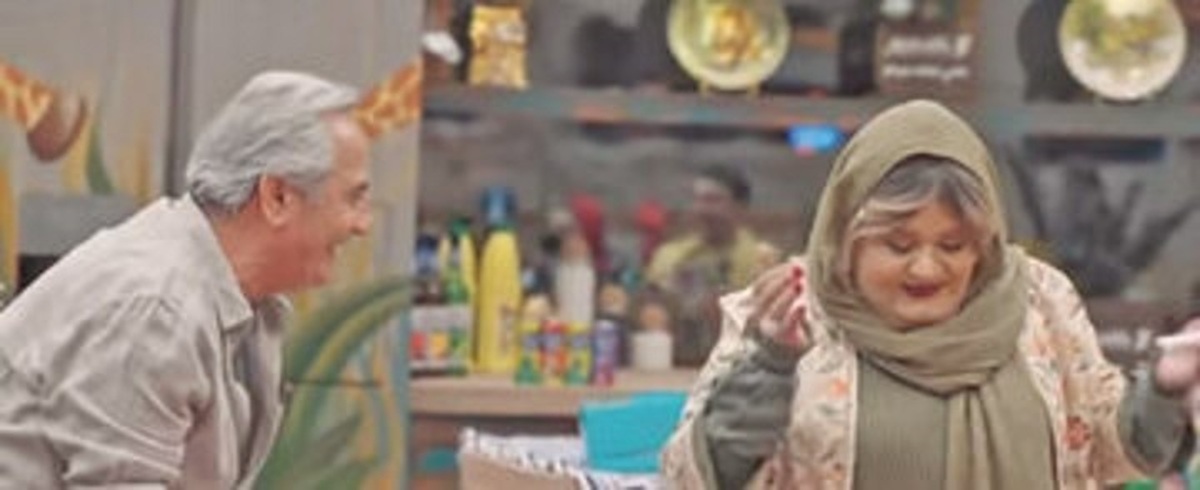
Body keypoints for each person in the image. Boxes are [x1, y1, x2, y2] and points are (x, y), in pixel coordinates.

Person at [661, 100, 1195, 489]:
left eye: (953, 245)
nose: (926, 267)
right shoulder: (789, 311)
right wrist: (771, 366)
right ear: (846, 240)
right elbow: (696, 477)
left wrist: (1164, 387)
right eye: (898, 245)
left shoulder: (1038, 299)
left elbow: (1112, 448)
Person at [0, 71, 372, 487]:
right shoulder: (157, 307)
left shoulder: (247, 307)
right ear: (277, 196)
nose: (363, 224)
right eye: (353, 198)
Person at [645, 164, 776, 366]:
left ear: (739, 207)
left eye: (714, 200)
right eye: (698, 200)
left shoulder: (762, 259)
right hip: (674, 361)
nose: (703, 209)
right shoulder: (669, 256)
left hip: (741, 365)